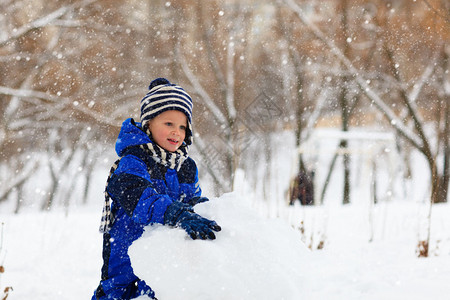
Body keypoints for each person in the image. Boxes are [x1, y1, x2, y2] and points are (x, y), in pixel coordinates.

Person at [91, 78, 221, 300]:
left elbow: (191, 201)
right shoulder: (133, 160)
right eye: (168, 124)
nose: (176, 132)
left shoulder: (186, 166)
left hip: (163, 256)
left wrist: (204, 212)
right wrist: (176, 213)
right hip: (125, 262)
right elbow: (139, 197)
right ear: (148, 123)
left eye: (182, 126)